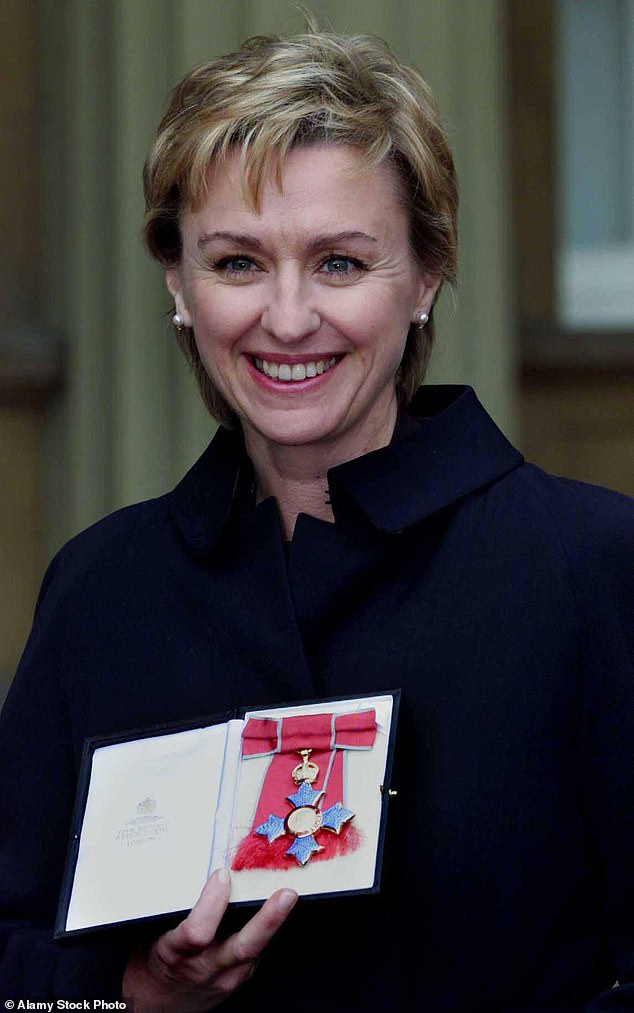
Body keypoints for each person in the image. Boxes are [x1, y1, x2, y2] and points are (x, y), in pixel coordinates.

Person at [1, 23, 633, 1012]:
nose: (287, 318)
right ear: (177, 281)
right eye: (238, 262)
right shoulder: (101, 588)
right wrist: (126, 990)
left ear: (425, 276)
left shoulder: (591, 566)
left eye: (339, 262)